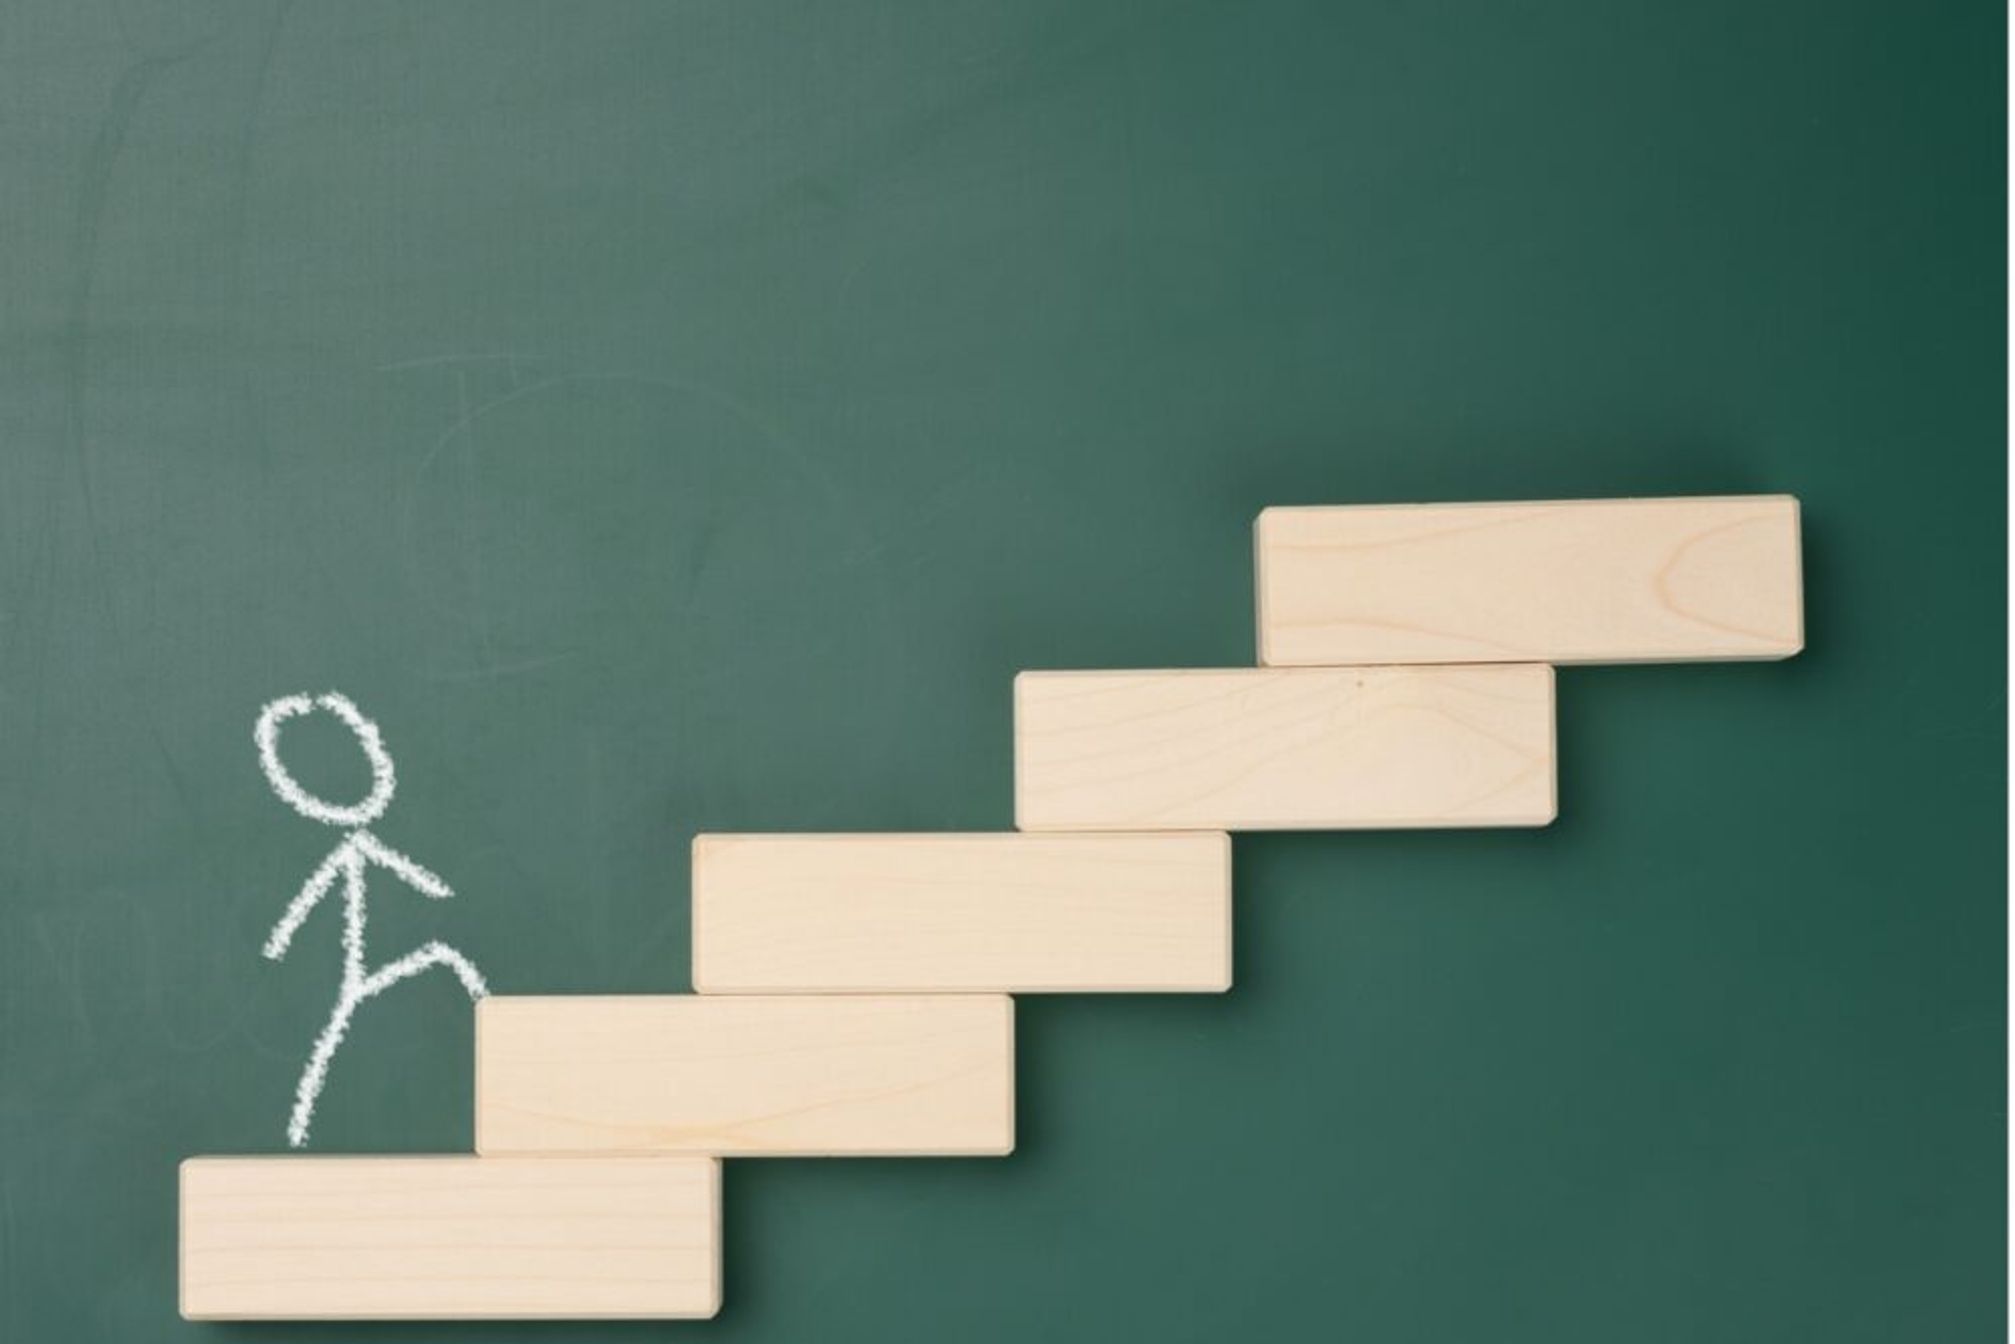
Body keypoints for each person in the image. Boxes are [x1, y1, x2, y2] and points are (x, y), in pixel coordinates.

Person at [254, 691, 487, 1147]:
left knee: (397, 987)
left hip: (381, 957)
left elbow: (371, 869)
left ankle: (306, 1117)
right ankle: (305, 1118)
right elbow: (328, 881)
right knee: (347, 1015)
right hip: (363, 965)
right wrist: (283, 935)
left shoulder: (368, 845)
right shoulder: (354, 846)